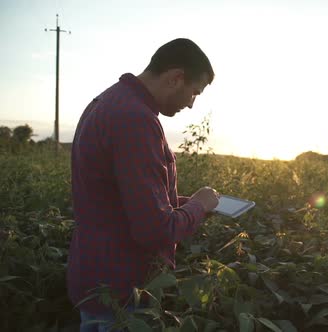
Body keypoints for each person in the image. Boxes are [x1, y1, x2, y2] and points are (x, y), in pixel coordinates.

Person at [67, 38, 220, 332]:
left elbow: (120, 198)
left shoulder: (108, 101)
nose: (191, 103)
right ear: (176, 78)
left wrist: (185, 203)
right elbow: (154, 231)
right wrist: (198, 207)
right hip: (122, 292)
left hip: (96, 279)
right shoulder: (135, 119)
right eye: (194, 92)